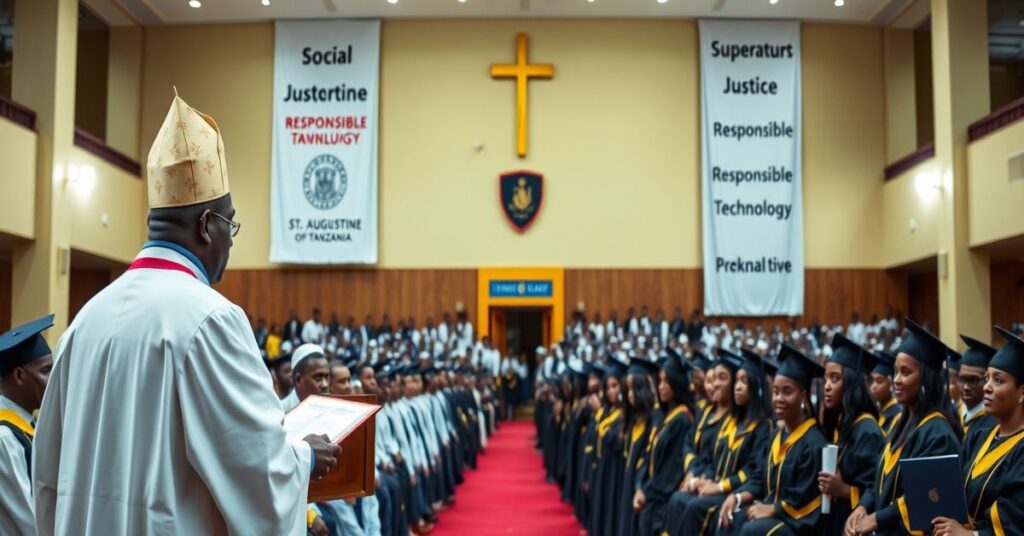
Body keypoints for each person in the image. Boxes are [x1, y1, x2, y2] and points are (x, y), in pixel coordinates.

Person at [33, 94, 340, 535]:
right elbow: (259, 470)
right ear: (206, 225)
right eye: (230, 225)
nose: (230, 242)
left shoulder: (84, 322)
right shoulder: (211, 320)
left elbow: (47, 476)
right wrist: (305, 457)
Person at [845, 319, 962, 535]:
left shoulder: (938, 433)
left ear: (925, 377)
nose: (896, 380)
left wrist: (875, 519)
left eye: (906, 372)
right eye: (896, 372)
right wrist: (862, 506)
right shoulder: (903, 424)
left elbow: (926, 495)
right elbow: (882, 480)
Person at [721, 344, 826, 536]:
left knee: (751, 530)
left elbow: (805, 496)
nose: (779, 398)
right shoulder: (776, 435)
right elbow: (759, 477)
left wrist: (774, 509)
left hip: (798, 524)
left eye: (787, 392)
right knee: (730, 518)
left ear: (803, 396)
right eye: (776, 391)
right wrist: (736, 497)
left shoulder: (813, 442)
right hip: (774, 514)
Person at [934, 326, 1024, 535]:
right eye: (987, 378)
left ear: (1021, 392)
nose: (986, 387)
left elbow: (1015, 521)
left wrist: (970, 534)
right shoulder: (978, 437)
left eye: (998, 380)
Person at [816, 334, 884, 535]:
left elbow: (878, 489)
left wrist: (843, 490)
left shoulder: (867, 430)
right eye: (826, 379)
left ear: (851, 383)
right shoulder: (843, 424)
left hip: (856, 526)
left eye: (835, 378)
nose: (827, 386)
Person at [0, 315, 54, 536]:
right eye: (46, 371)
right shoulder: (5, 439)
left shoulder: (28, 425)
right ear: (20, 376)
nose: (54, 380)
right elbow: (30, 524)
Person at [635, 349, 695, 536]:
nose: (661, 387)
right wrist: (640, 488)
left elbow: (671, 470)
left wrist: (646, 492)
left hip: (663, 504)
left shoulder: (682, 419)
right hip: (653, 498)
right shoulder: (666, 416)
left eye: (667, 382)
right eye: (660, 381)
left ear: (677, 383)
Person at [618, 358, 659, 536]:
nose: (630, 395)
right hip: (629, 479)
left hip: (641, 484)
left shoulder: (654, 419)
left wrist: (639, 485)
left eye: (634, 389)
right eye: (627, 390)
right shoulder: (635, 417)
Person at [589, 357, 627, 536]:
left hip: (615, 469)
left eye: (615, 386)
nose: (611, 391)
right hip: (603, 467)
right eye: (608, 387)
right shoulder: (608, 411)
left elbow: (616, 442)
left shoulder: (624, 414)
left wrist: (598, 414)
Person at [957, 335, 997, 435]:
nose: (966, 387)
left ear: (988, 380)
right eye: (962, 379)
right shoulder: (954, 414)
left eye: (973, 380)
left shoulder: (994, 423)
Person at [281, 343, 331, 412]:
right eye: (318, 378)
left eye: (327, 377)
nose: (325, 385)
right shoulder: (280, 412)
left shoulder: (333, 407)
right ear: (298, 380)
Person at [870, 351, 902, 436]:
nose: (873, 386)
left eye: (879, 381)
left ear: (891, 383)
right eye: (871, 381)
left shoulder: (897, 414)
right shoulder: (878, 411)